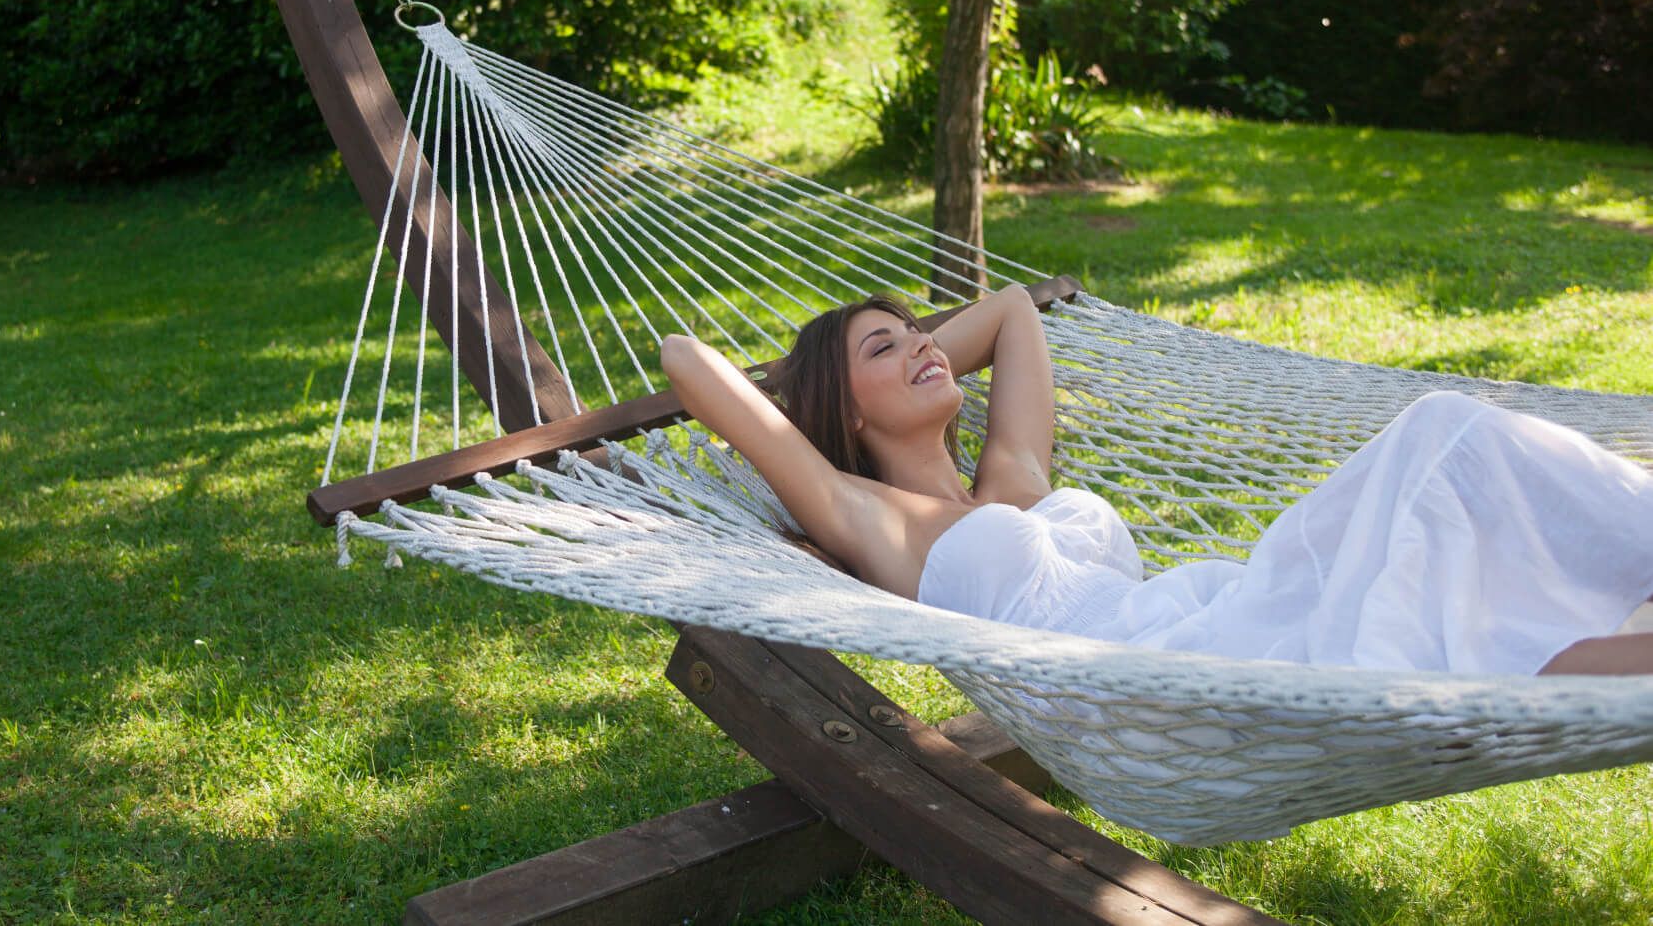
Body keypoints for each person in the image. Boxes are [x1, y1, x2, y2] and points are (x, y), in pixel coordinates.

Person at [660, 286, 1653, 676]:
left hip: (1223, 602)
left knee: (1447, 440)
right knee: (1444, 447)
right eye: (891, 346)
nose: (926, 346)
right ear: (845, 407)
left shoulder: (1012, 473)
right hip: (1172, 678)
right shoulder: (865, 514)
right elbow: (684, 360)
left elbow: (1010, 311)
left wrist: (903, 359)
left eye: (924, 333)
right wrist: (827, 390)